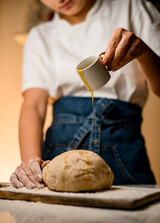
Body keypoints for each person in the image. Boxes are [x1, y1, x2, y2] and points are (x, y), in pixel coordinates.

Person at [10, 0, 160, 189]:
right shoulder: (40, 37)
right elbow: (34, 105)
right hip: (58, 152)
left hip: (125, 148)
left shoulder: (133, 7)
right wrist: (30, 163)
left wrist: (143, 52)